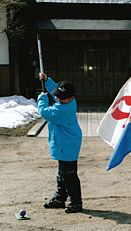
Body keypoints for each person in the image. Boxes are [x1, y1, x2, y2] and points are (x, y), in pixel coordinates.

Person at [37, 73, 83, 213]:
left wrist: (42, 98)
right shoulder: (68, 102)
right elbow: (55, 90)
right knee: (63, 173)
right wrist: (47, 81)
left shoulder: (62, 109)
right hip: (67, 144)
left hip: (66, 145)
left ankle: (75, 202)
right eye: (57, 96)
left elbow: (44, 112)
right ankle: (59, 199)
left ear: (71, 98)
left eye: (61, 98)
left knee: (68, 174)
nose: (58, 99)